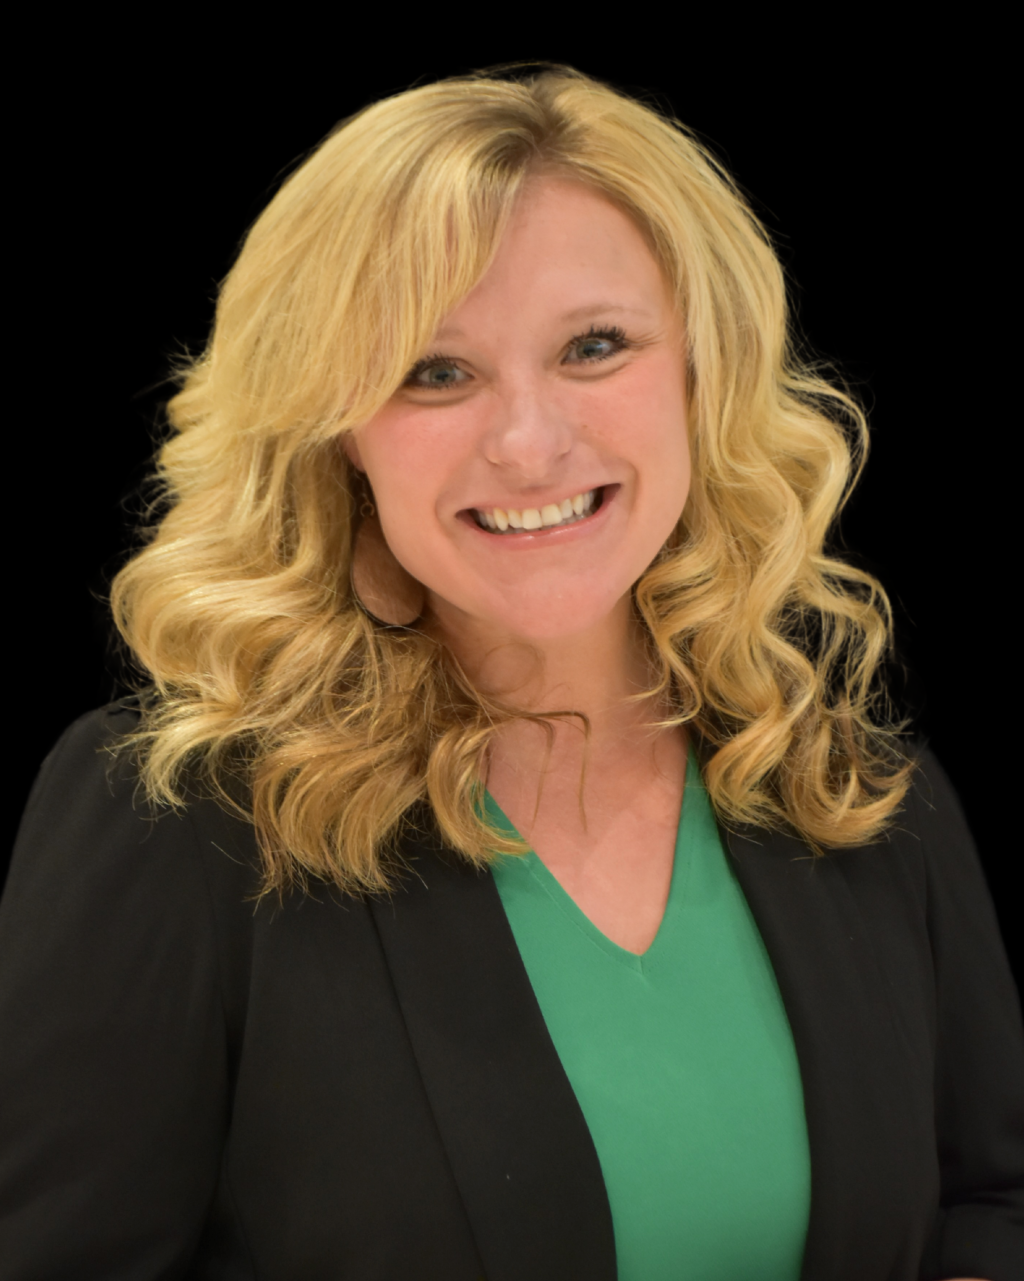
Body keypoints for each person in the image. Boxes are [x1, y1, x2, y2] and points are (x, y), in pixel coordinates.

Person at [0, 63, 1020, 1281]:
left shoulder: (849, 789)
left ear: (704, 371)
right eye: (434, 371)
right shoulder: (174, 821)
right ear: (335, 431)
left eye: (595, 346)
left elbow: (987, 1204)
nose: (530, 444)